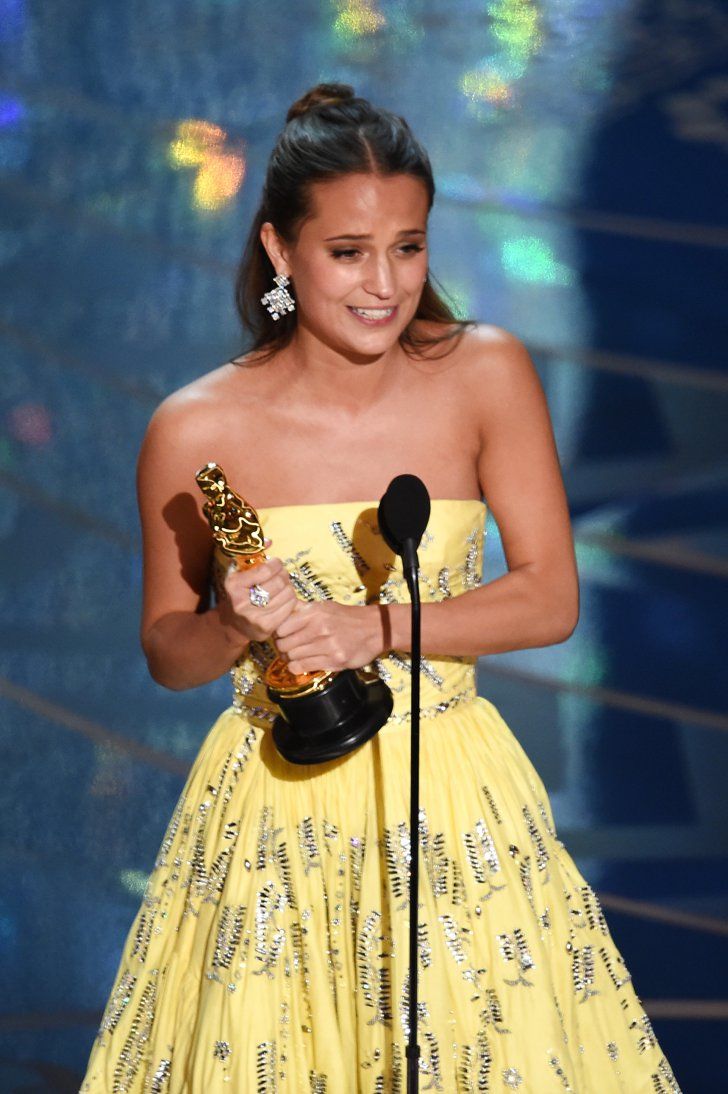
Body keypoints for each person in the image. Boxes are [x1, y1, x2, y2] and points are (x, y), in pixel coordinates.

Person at [80, 83, 681, 1093]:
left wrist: (373, 627)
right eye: (348, 251)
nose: (384, 283)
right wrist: (230, 621)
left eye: (407, 246)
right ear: (279, 251)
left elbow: (547, 598)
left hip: (450, 793)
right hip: (272, 813)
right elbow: (164, 652)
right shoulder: (192, 428)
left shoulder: (483, 371)